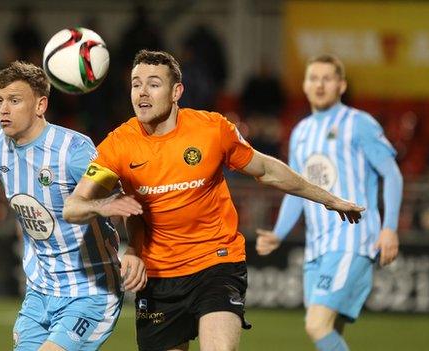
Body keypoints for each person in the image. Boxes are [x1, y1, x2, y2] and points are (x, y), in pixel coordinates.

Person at [62, 49, 364, 351]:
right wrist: (105, 209)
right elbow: (74, 207)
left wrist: (328, 199)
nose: (142, 92)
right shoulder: (118, 145)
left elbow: (268, 170)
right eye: (136, 84)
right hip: (158, 277)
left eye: (153, 84)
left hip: (216, 263)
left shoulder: (212, 130)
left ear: (176, 91)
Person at [0, 61, 123, 351]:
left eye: (15, 100)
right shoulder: (1, 143)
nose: (4, 109)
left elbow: (116, 195)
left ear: (40, 105)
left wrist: (134, 248)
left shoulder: (73, 151)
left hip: (89, 291)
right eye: (0, 100)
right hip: (40, 291)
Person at [255, 54, 403, 351]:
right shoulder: (301, 132)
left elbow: (393, 174)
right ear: (305, 86)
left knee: (316, 324)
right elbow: (297, 189)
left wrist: (390, 228)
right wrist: (278, 234)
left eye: (327, 78)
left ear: (341, 85)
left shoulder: (358, 124)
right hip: (318, 246)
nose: (319, 84)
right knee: (330, 329)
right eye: (313, 78)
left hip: (352, 238)